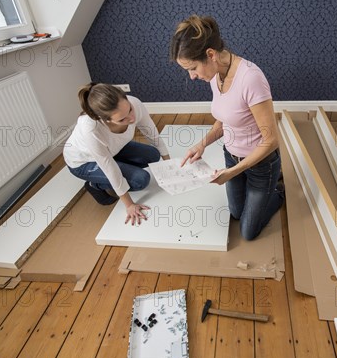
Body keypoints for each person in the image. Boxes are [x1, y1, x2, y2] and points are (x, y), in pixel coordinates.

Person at [170, 15, 284, 241]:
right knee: (235, 213)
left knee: (248, 232)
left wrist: (232, 173)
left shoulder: (251, 78)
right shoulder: (215, 75)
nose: (192, 77)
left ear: (210, 55)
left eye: (192, 68)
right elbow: (224, 120)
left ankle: (279, 188)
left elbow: (271, 140)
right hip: (231, 157)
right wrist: (201, 144)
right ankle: (261, 190)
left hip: (261, 163)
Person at [63, 83, 169, 225]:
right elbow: (108, 166)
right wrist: (129, 205)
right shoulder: (91, 129)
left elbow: (152, 134)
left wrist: (169, 165)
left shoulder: (134, 103)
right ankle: (95, 185)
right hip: (83, 163)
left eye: (130, 110)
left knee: (153, 155)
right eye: (122, 119)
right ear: (105, 119)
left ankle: (122, 169)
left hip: (112, 151)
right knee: (141, 180)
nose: (131, 118)